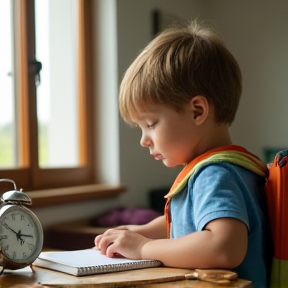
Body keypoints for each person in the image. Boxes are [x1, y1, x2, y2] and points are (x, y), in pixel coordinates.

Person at [94, 20, 271, 287]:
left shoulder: (214, 175)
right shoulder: (235, 166)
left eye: (151, 124)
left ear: (197, 111)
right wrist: (141, 232)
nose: (144, 140)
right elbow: (186, 222)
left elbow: (224, 246)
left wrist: (143, 248)